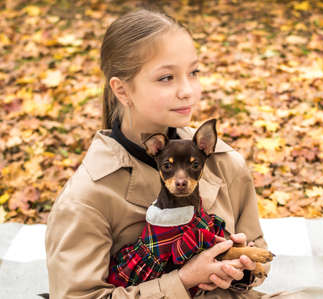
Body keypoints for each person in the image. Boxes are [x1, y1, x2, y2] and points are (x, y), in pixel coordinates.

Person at [45, 9, 270, 298]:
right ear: (123, 91)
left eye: (193, 72)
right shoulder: (86, 198)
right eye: (166, 78)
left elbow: (260, 258)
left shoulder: (225, 163)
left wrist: (242, 269)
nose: (188, 90)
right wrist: (185, 279)